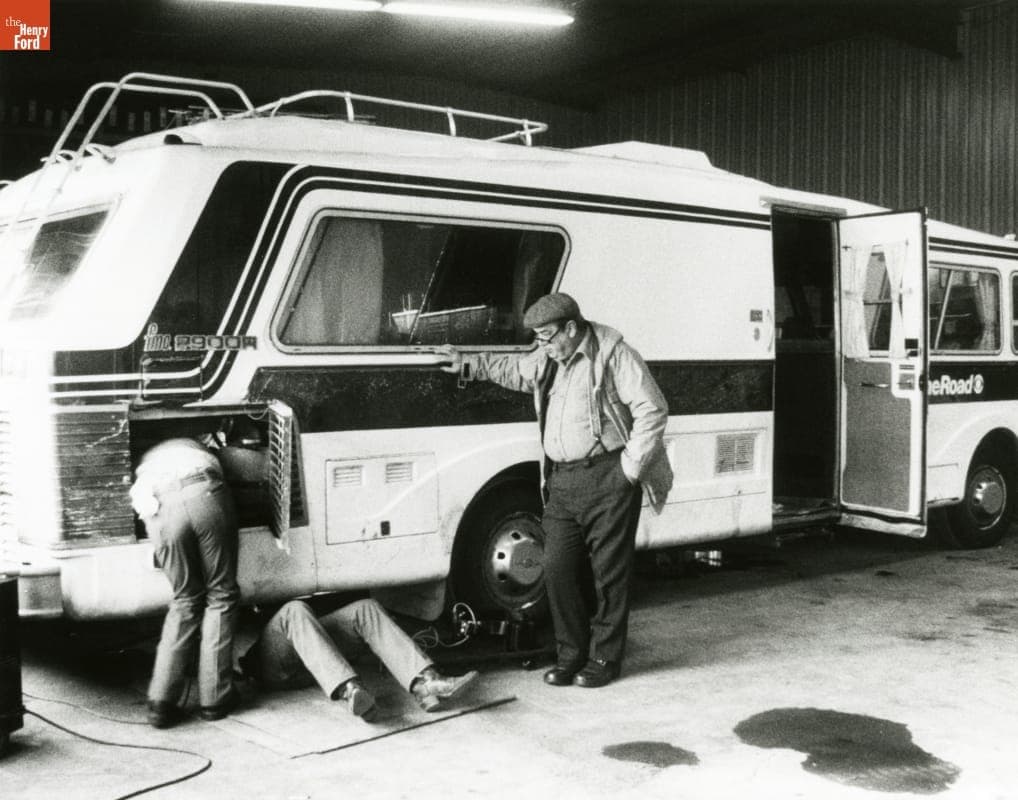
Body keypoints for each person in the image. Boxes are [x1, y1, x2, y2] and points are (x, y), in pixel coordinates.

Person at [439, 293, 671, 688]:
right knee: (557, 569)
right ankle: (570, 655)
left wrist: (629, 469)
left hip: (607, 478)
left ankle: (603, 658)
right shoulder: (549, 358)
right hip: (561, 481)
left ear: (570, 329)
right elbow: (516, 371)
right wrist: (468, 363)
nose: (541, 345)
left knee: (608, 576)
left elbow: (653, 409)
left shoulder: (613, 354)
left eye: (547, 336)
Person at [130, 437, 241, 728]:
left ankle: (161, 703)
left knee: (185, 598)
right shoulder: (199, 447)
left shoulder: (148, 455)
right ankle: (215, 699)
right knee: (221, 594)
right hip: (202, 491)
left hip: (155, 504)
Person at [238, 598, 479, 719]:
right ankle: (351, 691)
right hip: (268, 662)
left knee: (366, 608)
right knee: (294, 610)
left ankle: (424, 683)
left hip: (311, 656)